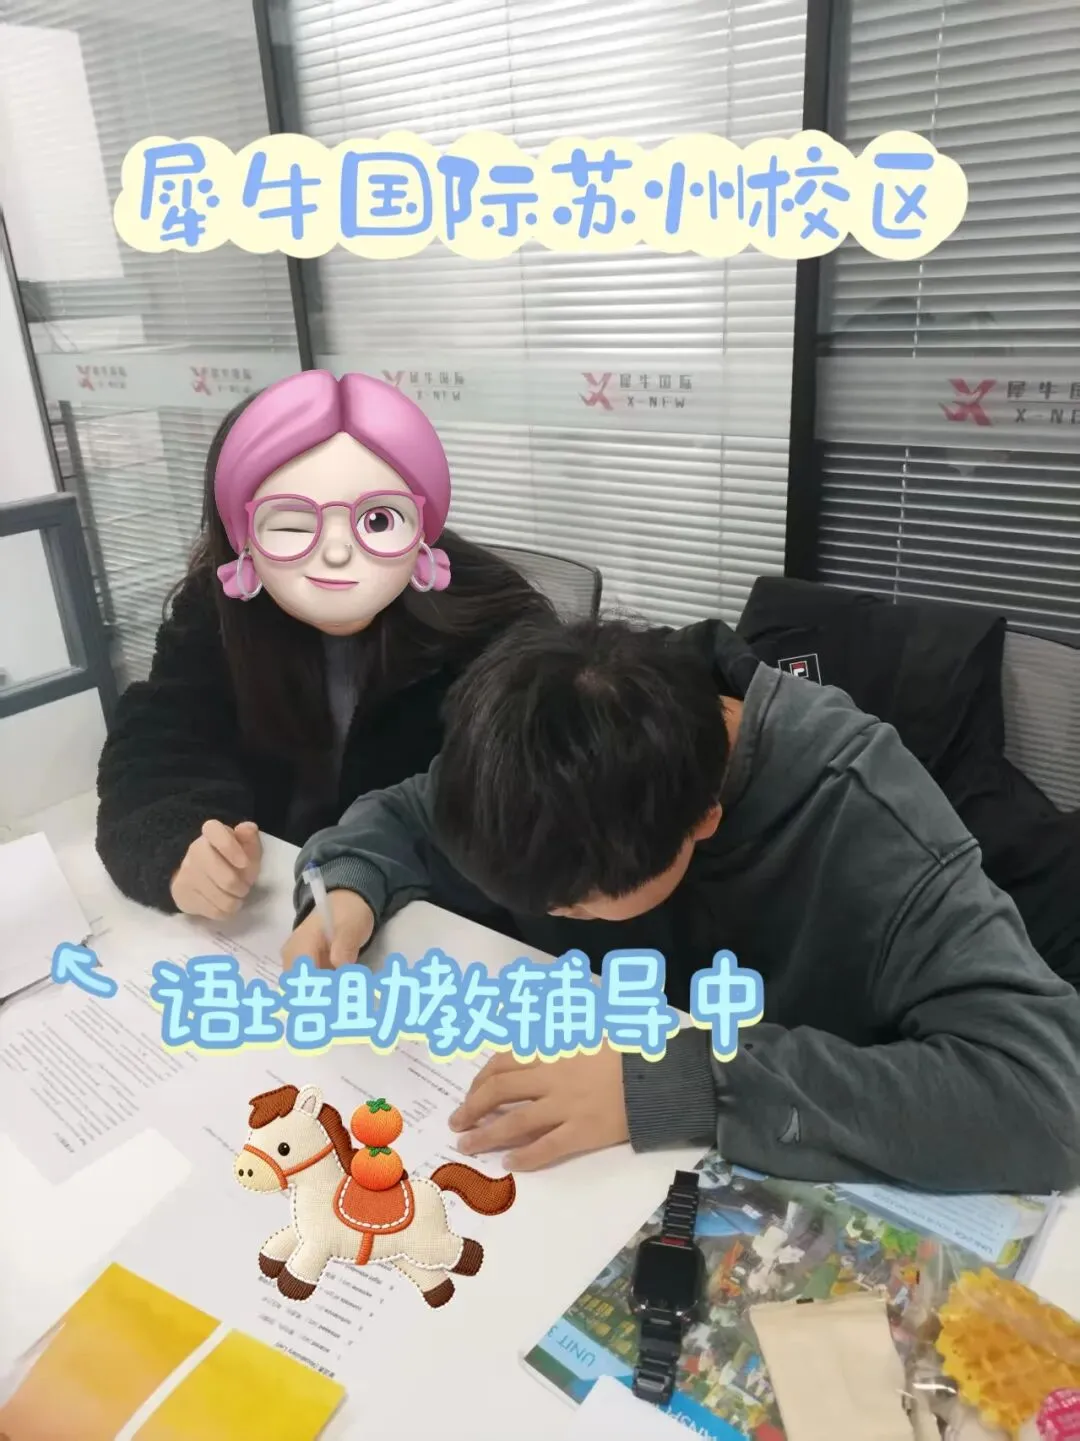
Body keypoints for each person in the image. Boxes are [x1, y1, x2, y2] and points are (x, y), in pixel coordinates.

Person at [284, 614, 1080, 1195]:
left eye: (581, 905)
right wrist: (348, 884)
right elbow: (407, 814)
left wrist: (673, 1084)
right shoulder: (553, 738)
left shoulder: (867, 816)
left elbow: (1047, 1096)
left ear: (704, 818)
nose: (557, 913)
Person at [96, 370, 551, 918]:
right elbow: (161, 734)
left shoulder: (492, 619)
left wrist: (362, 879)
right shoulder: (217, 608)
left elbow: (517, 802)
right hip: (269, 898)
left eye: (373, 517)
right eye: (292, 522)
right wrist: (179, 846)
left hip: (422, 915)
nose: (336, 552)